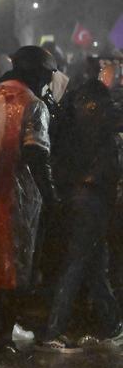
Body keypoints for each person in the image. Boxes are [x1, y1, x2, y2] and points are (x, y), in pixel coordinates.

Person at [0, 45, 58, 365]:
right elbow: (36, 153)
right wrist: (52, 197)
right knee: (13, 271)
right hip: (13, 201)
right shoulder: (33, 104)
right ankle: (2, 339)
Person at [37, 56, 123, 352]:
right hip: (94, 196)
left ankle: (112, 325)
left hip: (74, 192)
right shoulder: (104, 110)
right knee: (76, 263)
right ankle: (53, 330)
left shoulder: (70, 109)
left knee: (94, 263)